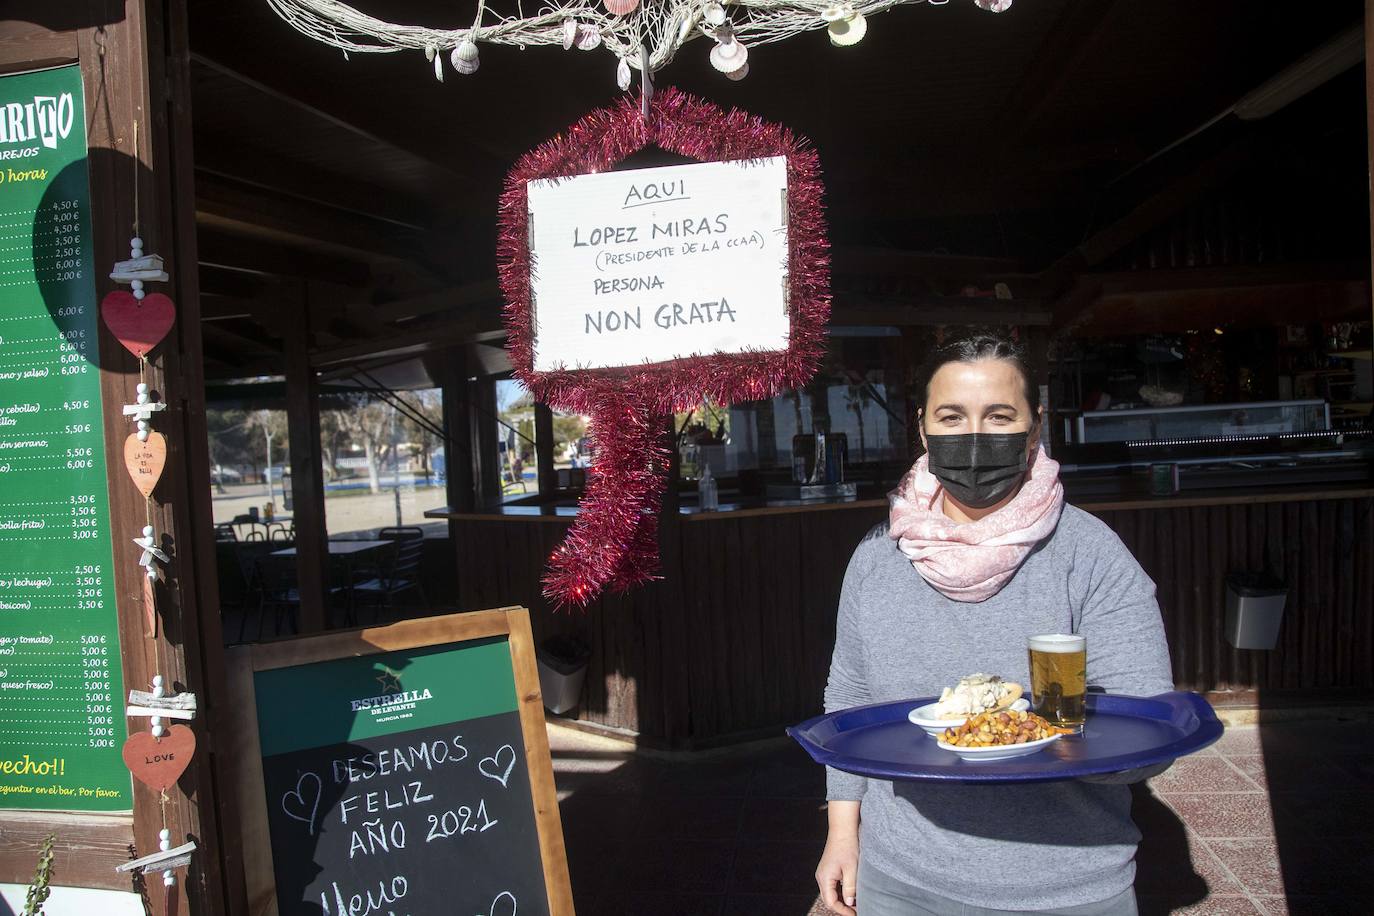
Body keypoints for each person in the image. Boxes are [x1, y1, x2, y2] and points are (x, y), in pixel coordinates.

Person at [815, 332, 1173, 916]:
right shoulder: (877, 557)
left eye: (999, 415)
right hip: (901, 880)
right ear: (923, 429)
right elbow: (849, 698)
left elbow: (1148, 734)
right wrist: (842, 831)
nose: (974, 436)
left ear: (1035, 428)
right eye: (951, 417)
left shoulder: (1089, 553)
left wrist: (1048, 730)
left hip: (1067, 887)